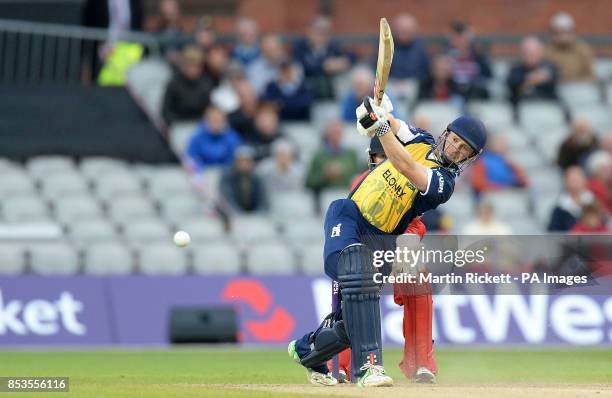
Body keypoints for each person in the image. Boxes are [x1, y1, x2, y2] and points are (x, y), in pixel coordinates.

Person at [288, 94, 487, 387]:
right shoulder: (420, 138)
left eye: (463, 149)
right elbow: (394, 126)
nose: (456, 148)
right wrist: (375, 115)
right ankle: (370, 369)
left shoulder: (444, 183)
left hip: (382, 240)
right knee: (358, 272)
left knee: (352, 322)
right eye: (455, 140)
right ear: (445, 134)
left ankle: (306, 349)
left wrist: (380, 129)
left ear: (468, 158)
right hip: (350, 216)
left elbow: (407, 167)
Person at [329, 136, 437, 384]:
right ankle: (340, 365)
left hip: (395, 250)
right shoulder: (363, 183)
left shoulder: (411, 184)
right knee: (351, 288)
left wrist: (408, 241)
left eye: (391, 158)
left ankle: (421, 364)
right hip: (364, 250)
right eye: (382, 158)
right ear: (372, 159)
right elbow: (347, 222)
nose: (387, 164)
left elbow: (416, 224)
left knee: (418, 278)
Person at [293, 15, 352, 99]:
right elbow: (302, 66)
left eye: (325, 33)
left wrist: (342, 62)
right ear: (310, 32)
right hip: (309, 87)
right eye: (319, 32)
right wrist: (323, 66)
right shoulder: (301, 46)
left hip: (331, 87)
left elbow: (352, 56)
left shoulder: (332, 46)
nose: (321, 37)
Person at [507, 37, 560, 117]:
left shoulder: (549, 67)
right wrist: (530, 79)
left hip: (547, 110)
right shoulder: (515, 69)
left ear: (540, 53)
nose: (529, 56)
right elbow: (512, 83)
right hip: (521, 112)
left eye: (533, 53)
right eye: (526, 53)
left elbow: (553, 80)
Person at [161, 46, 213, 125]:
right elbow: (166, 111)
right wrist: (176, 124)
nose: (193, 69)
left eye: (197, 66)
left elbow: (209, 109)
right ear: (184, 65)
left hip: (200, 125)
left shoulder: (206, 84)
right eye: (190, 65)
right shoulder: (174, 83)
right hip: (178, 125)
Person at [305, 120, 360, 195]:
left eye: (338, 133)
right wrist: (325, 175)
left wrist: (343, 173)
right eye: (333, 133)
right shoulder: (318, 156)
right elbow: (309, 183)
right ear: (327, 135)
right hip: (324, 195)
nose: (336, 136)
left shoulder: (351, 155)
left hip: (347, 194)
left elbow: (358, 178)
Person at [185, 105, 242, 171]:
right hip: (202, 174)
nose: (215, 124)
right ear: (206, 120)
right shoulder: (197, 138)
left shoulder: (232, 138)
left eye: (218, 120)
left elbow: (236, 159)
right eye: (213, 120)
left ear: (224, 120)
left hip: (226, 174)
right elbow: (190, 158)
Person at [445, 21, 492, 100]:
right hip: (452, 94)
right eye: (457, 37)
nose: (461, 41)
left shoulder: (479, 58)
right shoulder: (446, 58)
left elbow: (488, 77)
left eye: (463, 37)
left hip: (474, 94)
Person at [546, 12, 594, 81]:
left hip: (579, 88)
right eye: (558, 33)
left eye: (566, 32)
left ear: (573, 32)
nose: (563, 37)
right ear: (552, 33)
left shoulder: (583, 49)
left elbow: (591, 75)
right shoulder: (547, 51)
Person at [219, 146, 268, 213]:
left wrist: (257, 213)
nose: (244, 164)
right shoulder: (227, 176)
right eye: (241, 161)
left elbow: (263, 199)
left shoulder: (258, 177)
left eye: (247, 161)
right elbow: (227, 198)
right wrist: (239, 213)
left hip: (255, 216)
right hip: (234, 215)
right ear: (235, 161)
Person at [548, 166, 595, 231]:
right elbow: (554, 232)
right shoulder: (560, 209)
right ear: (566, 182)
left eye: (578, 179)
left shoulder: (594, 202)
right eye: (572, 180)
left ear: (584, 180)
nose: (576, 183)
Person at [388, 14, 430, 81]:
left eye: (407, 29)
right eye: (401, 29)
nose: (404, 32)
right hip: (390, 84)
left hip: (415, 84)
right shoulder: (385, 47)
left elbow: (426, 72)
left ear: (414, 30)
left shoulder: (422, 49)